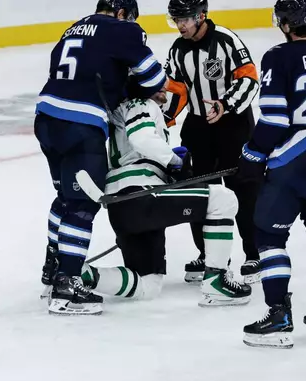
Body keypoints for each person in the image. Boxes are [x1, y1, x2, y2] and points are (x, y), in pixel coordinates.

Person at [36, 0, 167, 315]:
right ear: (122, 13)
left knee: (65, 198)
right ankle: (66, 287)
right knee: (82, 206)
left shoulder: (72, 29)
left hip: (46, 120)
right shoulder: (122, 29)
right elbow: (153, 79)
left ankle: (52, 269)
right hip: (81, 126)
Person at [81, 79, 251, 306]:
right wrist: (175, 162)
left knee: (148, 285)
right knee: (223, 199)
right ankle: (216, 281)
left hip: (121, 206)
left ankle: (80, 273)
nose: (164, 86)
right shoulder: (140, 104)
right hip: (141, 193)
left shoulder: (121, 111)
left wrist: (169, 166)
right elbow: (141, 139)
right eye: (155, 82)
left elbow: (138, 150)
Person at [163, 0, 262, 284]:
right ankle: (209, 255)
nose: (180, 26)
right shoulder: (178, 49)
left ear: (201, 16)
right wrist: (164, 116)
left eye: (185, 20)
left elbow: (248, 78)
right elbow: (178, 89)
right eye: (176, 20)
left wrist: (226, 104)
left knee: (242, 189)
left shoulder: (227, 41)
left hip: (233, 125)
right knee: (198, 190)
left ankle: (254, 253)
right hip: (198, 128)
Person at [241, 0, 306, 349]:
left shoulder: (278, 56)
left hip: (296, 156)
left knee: (268, 236)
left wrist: (252, 153)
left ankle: (278, 315)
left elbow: (274, 118)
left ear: (286, 24)